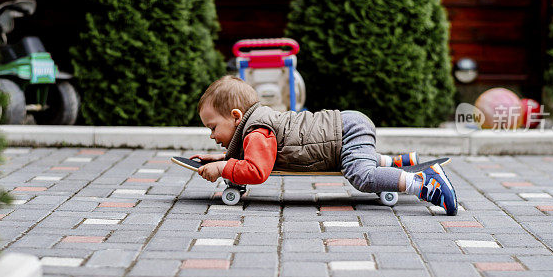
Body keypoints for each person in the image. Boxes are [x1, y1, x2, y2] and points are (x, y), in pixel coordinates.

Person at [191, 76, 458, 215]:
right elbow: (249, 155)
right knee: (357, 160)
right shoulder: (255, 125)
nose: (212, 134)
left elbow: (256, 171)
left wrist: (225, 168)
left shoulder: (258, 131)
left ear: (237, 117)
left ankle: (424, 183)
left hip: (345, 132)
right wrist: (219, 158)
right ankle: (393, 162)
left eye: (213, 127)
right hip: (344, 129)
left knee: (361, 176)